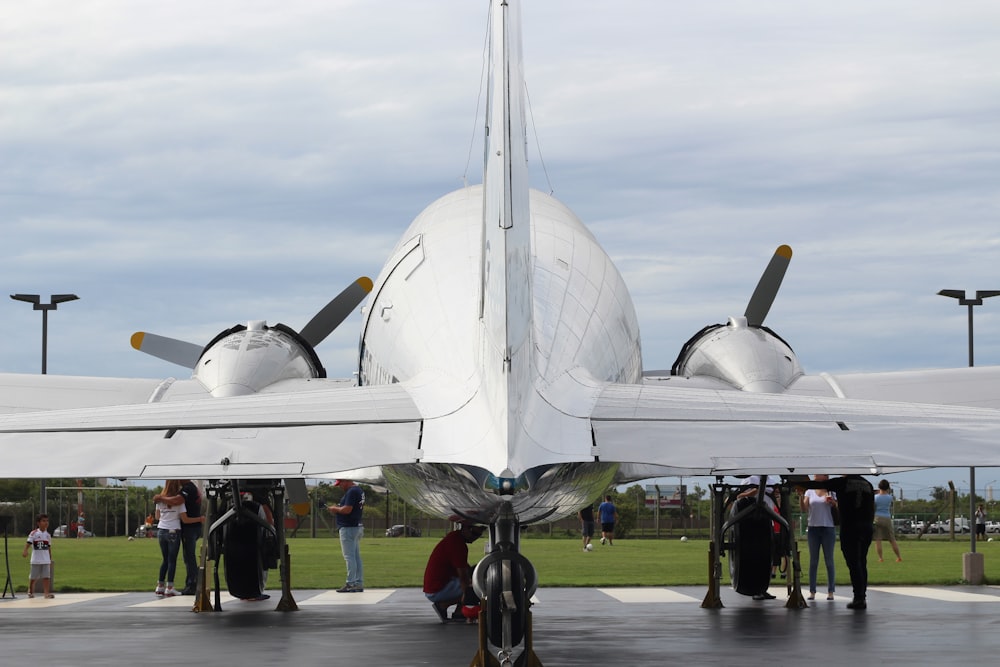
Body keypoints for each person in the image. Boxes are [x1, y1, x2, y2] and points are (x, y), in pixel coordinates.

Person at [797, 475, 874, 610]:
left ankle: (859, 598)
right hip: (866, 527)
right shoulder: (868, 484)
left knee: (853, 562)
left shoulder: (842, 482)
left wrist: (793, 482)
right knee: (862, 561)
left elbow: (816, 485)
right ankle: (861, 596)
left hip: (851, 527)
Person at [423, 521, 486, 622]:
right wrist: (468, 595)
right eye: (474, 534)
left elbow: (464, 568)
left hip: (435, 587)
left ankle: (459, 612)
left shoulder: (454, 538)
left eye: (478, 535)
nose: (475, 538)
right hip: (437, 589)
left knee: (472, 583)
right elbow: (463, 575)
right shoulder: (457, 544)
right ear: (465, 528)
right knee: (478, 587)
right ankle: (444, 606)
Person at [154, 479, 205, 597]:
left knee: (165, 560)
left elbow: (157, 516)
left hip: (161, 530)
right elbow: (185, 519)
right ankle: (170, 587)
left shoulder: (159, 500)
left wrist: (161, 499)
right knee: (173, 560)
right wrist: (200, 519)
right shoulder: (179, 503)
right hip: (174, 530)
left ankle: (160, 586)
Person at [800, 474, 837, 601]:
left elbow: (838, 506)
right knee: (813, 561)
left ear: (825, 477)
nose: (815, 475)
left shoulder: (831, 491)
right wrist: (800, 496)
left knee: (829, 561)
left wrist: (833, 502)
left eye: (818, 474)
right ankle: (812, 591)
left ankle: (831, 591)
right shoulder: (809, 491)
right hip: (813, 528)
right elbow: (804, 508)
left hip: (828, 527)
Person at [328, 479, 365, 593]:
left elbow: (347, 510)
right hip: (356, 526)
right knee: (356, 556)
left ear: (346, 481)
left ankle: (350, 583)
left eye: (340, 484)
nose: (340, 486)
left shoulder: (351, 491)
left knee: (349, 557)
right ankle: (358, 583)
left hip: (348, 527)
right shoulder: (359, 490)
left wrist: (335, 509)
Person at [22, 513, 54, 599]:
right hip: (36, 559)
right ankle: (30, 590)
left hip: (45, 559)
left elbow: (48, 547)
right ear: (38, 523)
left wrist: (50, 558)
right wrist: (25, 550)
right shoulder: (34, 533)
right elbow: (28, 543)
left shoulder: (48, 535)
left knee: (46, 577)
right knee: (33, 577)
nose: (46, 523)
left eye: (47, 521)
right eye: (43, 521)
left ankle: (46, 593)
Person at [873, 479, 902, 563]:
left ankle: (881, 558)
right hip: (887, 517)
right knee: (892, 539)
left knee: (878, 540)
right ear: (888, 487)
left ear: (879, 487)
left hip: (877, 517)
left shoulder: (875, 497)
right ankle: (898, 557)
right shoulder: (890, 497)